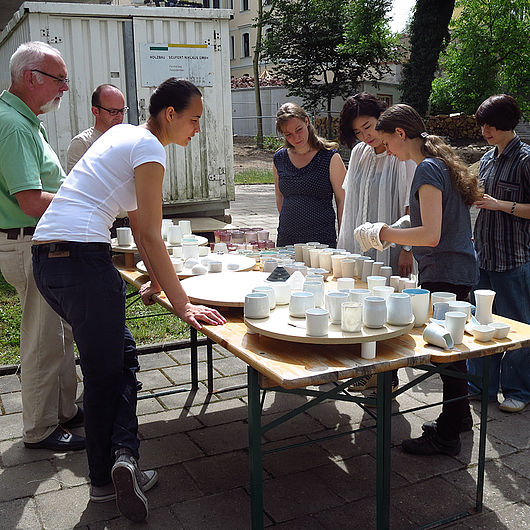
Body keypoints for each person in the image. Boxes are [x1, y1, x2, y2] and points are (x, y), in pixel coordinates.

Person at [32, 78, 226, 522]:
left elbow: (139, 225)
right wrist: (183, 305)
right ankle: (109, 476)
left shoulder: (123, 135)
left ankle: (122, 460)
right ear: (170, 114)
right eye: (194, 119)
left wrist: (158, 284)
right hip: (82, 259)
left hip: (49, 260)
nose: (197, 129)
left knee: (117, 359)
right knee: (108, 375)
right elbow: (152, 235)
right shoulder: (151, 149)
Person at [355, 104, 482, 456]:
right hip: (455, 267)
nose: (388, 152)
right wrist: (401, 225)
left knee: (446, 353)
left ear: (400, 134)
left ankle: (446, 436)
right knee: (453, 350)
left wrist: (385, 233)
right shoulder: (439, 163)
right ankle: (458, 419)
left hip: (445, 270)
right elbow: (435, 222)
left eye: (386, 143)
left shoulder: (426, 169)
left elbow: (431, 235)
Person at [0, 41, 84, 452]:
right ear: (32, 78)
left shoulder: (27, 120)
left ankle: (64, 411)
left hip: (41, 244)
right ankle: (39, 429)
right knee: (42, 341)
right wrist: (85, 198)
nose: (65, 88)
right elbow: (31, 201)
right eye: (59, 79)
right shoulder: (13, 126)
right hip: (28, 245)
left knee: (60, 335)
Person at [338, 93, 416, 395]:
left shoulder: (401, 153)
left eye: (368, 127)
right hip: (360, 244)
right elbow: (351, 200)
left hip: (393, 246)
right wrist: (344, 241)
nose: (365, 136)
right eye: (358, 131)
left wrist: (408, 250)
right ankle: (367, 369)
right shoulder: (359, 153)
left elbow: (411, 206)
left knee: (387, 309)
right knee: (361, 304)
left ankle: (387, 376)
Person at [467, 94, 530, 413]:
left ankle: (518, 390)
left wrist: (500, 204)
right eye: (482, 125)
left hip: (514, 259)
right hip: (485, 256)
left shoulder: (526, 158)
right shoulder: (489, 158)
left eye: (491, 125)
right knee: (482, 323)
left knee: (519, 327)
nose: (484, 131)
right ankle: (480, 387)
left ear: (508, 123)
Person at [273, 102, 346, 248]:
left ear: (307, 121)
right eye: (288, 134)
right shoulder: (279, 158)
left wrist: (343, 238)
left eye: (299, 129)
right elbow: (280, 195)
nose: (296, 137)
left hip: (321, 240)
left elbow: (342, 200)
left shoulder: (330, 157)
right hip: (287, 238)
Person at [66, 84, 127, 172]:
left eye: (122, 111)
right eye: (113, 112)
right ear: (96, 111)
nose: (119, 116)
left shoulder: (127, 139)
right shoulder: (82, 144)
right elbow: (75, 183)